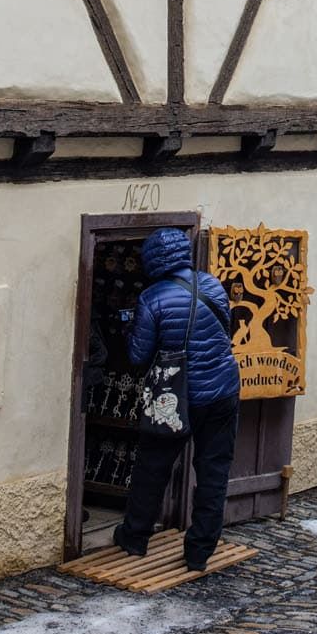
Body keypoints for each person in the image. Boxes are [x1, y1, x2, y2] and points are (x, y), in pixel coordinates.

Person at [115, 227, 241, 570]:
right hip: (222, 392)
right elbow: (224, 332)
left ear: (153, 261)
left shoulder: (152, 299)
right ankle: (199, 551)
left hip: (177, 395)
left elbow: (139, 356)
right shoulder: (212, 285)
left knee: (152, 467)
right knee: (213, 471)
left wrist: (128, 328)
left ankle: (135, 537)